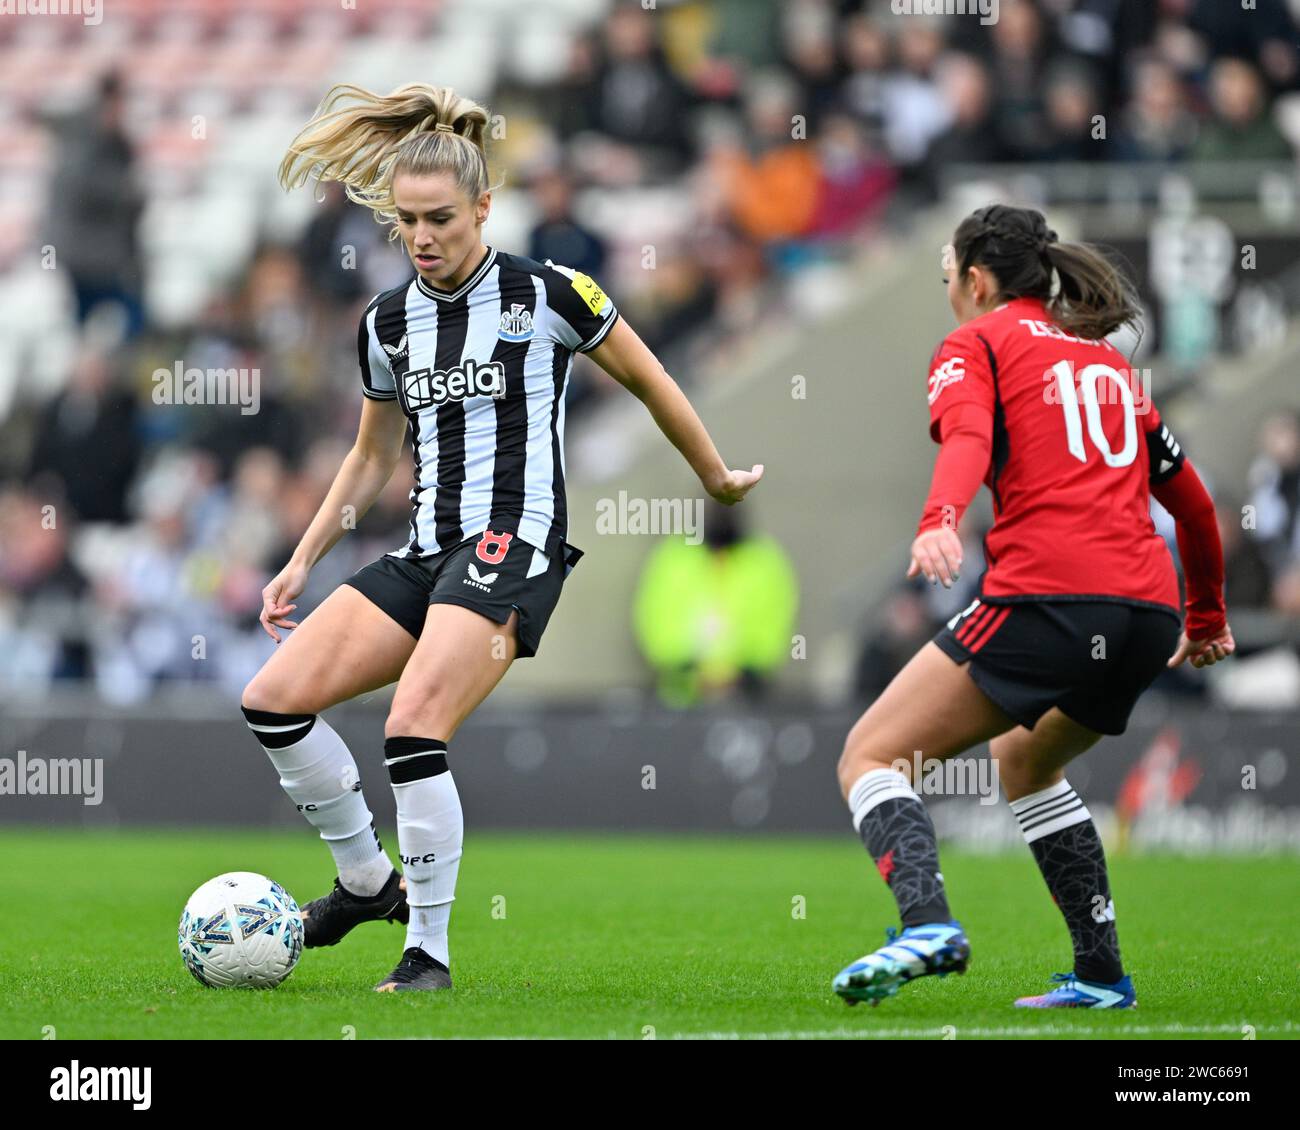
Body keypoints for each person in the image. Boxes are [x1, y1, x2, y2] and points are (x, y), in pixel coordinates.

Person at [239, 82, 762, 992]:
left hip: (513, 547)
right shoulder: (387, 323)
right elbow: (369, 459)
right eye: (406, 222)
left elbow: (650, 378)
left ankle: (427, 955)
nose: (423, 237)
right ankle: (367, 881)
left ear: (485, 206)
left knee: (413, 726)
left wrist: (712, 474)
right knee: (272, 701)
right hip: (423, 550)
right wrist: (301, 558)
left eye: (440, 218)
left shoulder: (549, 293)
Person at [832, 203, 1232, 1009]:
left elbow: (969, 441)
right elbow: (1194, 508)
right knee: (1025, 760)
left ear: (977, 280)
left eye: (948, 277)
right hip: (1147, 614)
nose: (949, 292)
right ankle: (1099, 974)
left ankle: (928, 923)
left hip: (1051, 597)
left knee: (872, 757)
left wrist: (940, 518)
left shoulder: (975, 343)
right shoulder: (1109, 365)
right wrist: (1209, 618)